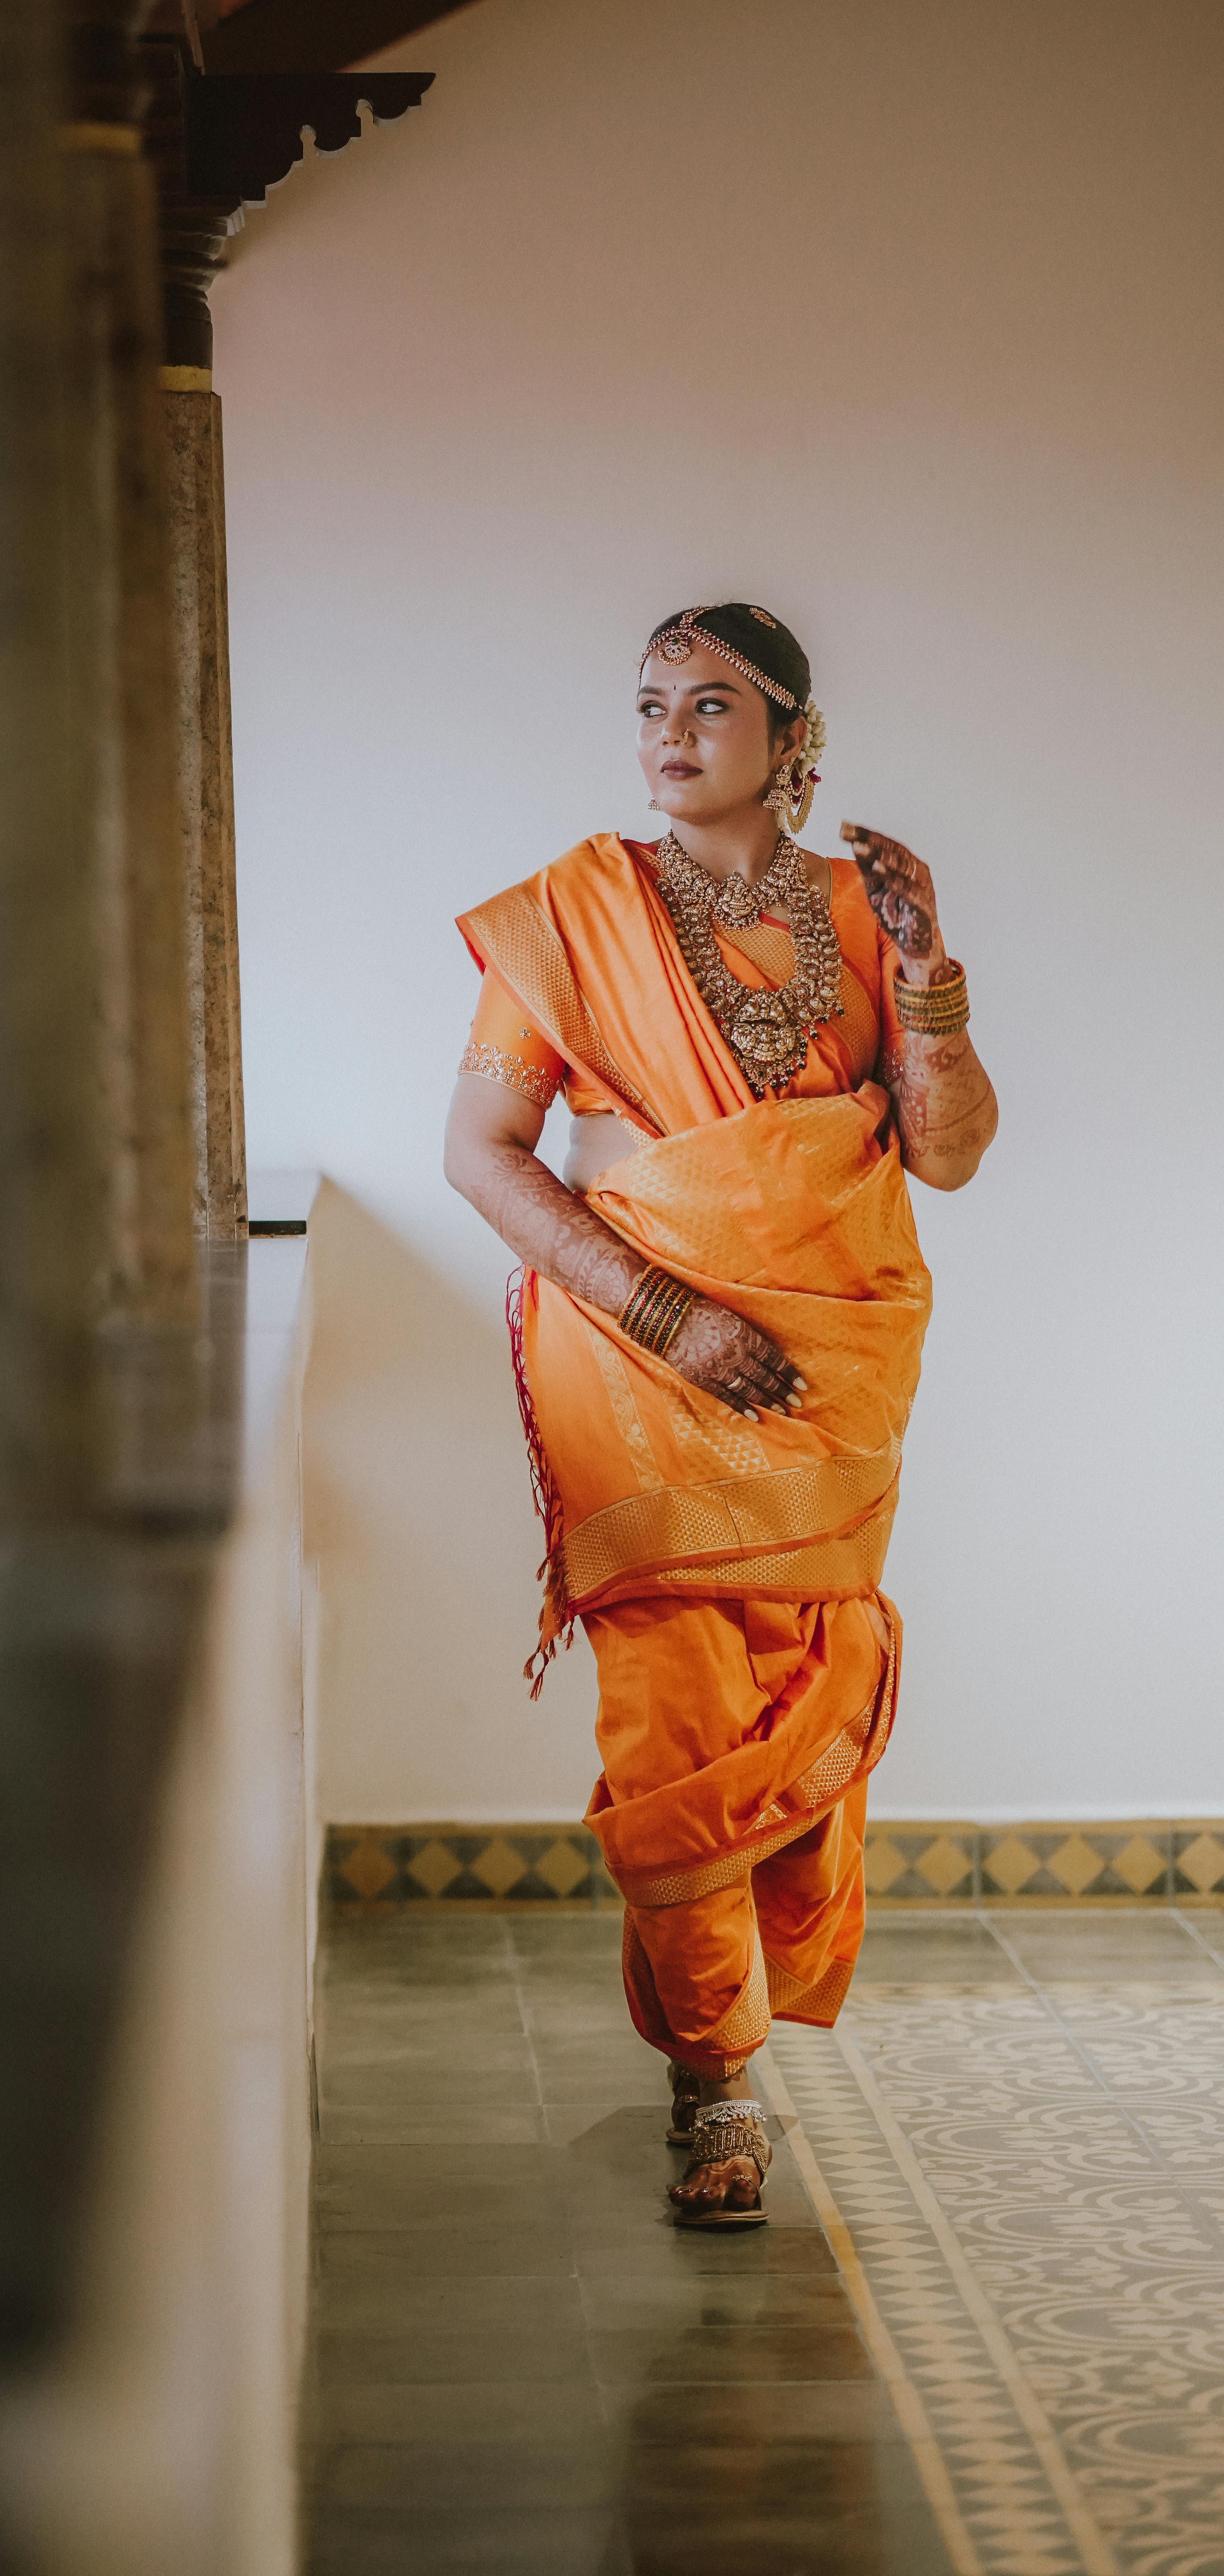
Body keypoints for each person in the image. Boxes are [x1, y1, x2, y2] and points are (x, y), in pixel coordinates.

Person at [443, 603, 997, 2225]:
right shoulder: (575, 916)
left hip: (827, 1361)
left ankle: (751, 2013)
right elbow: (480, 1152)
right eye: (648, 706)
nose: (669, 735)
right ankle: (715, 2084)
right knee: (671, 1709)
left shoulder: (863, 914)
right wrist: (661, 1311)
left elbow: (948, 1153)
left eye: (708, 706)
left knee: (807, 1675)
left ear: (790, 741)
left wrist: (927, 979)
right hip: (633, 1355)